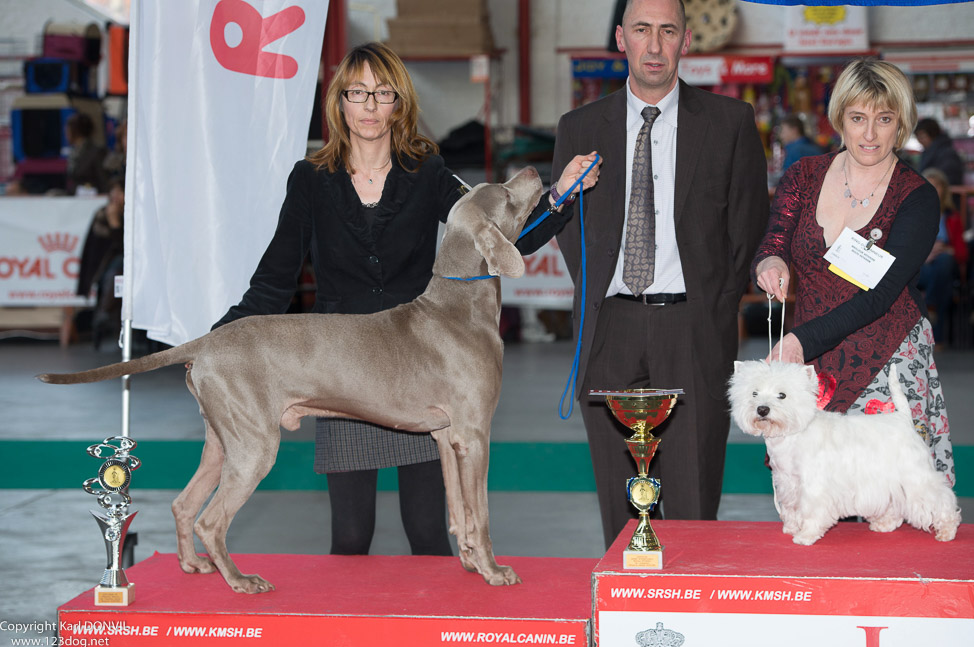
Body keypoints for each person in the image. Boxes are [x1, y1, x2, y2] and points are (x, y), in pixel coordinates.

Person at [213, 42, 597, 556]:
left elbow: (499, 235)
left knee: (427, 536)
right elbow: (275, 279)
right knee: (350, 538)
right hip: (341, 370)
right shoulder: (310, 179)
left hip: (418, 368)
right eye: (357, 92)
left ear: (399, 102)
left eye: (382, 92)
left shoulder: (429, 172)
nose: (370, 105)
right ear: (339, 102)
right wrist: (220, 339)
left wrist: (558, 198)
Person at [525, 0, 769, 548]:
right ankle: (624, 615)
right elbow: (546, 225)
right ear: (620, 39)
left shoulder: (731, 123)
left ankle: (691, 617)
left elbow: (747, 226)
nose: (654, 45)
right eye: (641, 30)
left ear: (686, 41)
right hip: (609, 328)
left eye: (667, 31)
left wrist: (712, 306)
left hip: (692, 327)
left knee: (693, 499)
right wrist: (560, 195)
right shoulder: (578, 127)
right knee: (620, 504)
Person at [754, 58, 955, 488]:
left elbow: (880, 296)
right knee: (812, 499)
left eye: (884, 119)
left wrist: (799, 341)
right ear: (839, 118)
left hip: (888, 360)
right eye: (858, 118)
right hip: (812, 367)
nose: (869, 133)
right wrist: (770, 262)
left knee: (893, 504)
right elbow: (773, 242)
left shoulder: (916, 197)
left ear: (900, 124)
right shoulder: (803, 175)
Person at [917, 167, 967, 345]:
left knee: (944, 264)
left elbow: (962, 254)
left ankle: (929, 306)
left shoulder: (952, 217)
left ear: (944, 190)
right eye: (929, 184)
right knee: (939, 280)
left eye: (937, 185)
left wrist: (946, 250)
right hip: (920, 265)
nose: (933, 188)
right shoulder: (914, 215)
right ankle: (937, 337)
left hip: (944, 265)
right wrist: (926, 254)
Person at [76, 177, 125, 349]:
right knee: (118, 269)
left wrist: (116, 224)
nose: (115, 196)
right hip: (105, 266)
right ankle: (105, 313)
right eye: (114, 192)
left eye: (120, 192)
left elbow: (128, 246)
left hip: (137, 265)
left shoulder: (138, 214)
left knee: (122, 265)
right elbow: (100, 250)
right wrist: (113, 222)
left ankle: (105, 312)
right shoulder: (102, 214)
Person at [65, 113, 107, 195]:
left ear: (75, 131)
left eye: (68, 130)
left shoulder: (96, 152)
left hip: (93, 198)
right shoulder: (74, 153)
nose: (66, 134)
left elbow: (103, 180)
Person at [914, 117, 964, 186]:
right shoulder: (929, 151)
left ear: (933, 134)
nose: (920, 140)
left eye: (922, 137)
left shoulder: (947, 154)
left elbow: (946, 181)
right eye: (918, 137)